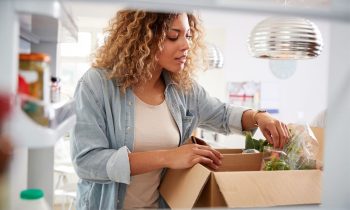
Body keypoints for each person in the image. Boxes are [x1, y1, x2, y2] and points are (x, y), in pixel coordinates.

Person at [71, 10, 290, 210]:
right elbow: (87, 162)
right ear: (142, 38)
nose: (186, 45)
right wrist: (168, 157)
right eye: (173, 36)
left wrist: (259, 117)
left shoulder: (183, 90)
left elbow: (223, 114)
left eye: (188, 35)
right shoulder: (96, 84)